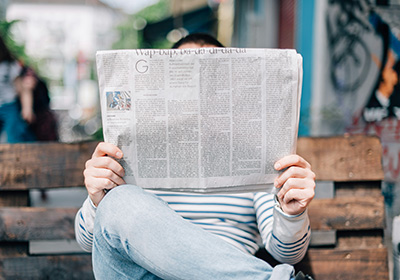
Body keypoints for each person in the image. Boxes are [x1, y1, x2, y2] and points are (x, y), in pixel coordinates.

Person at [75, 33, 315, 280]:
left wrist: (292, 213)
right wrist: (97, 201)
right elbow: (89, 242)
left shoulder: (255, 157)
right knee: (119, 202)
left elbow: (286, 253)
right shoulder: (129, 154)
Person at [0, 35, 36, 143]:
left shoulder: (9, 65)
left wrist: (27, 108)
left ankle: (16, 156)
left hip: (8, 105)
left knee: (13, 133)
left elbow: (23, 89)